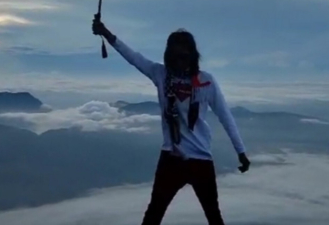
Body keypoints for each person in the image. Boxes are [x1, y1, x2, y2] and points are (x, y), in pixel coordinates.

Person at [92, 16, 250, 225]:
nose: (180, 61)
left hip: (188, 159)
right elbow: (133, 57)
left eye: (183, 56)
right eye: (176, 57)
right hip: (182, 158)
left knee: (200, 214)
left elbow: (225, 116)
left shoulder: (201, 81)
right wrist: (106, 34)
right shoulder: (165, 74)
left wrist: (241, 151)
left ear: (192, 56)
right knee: (159, 213)